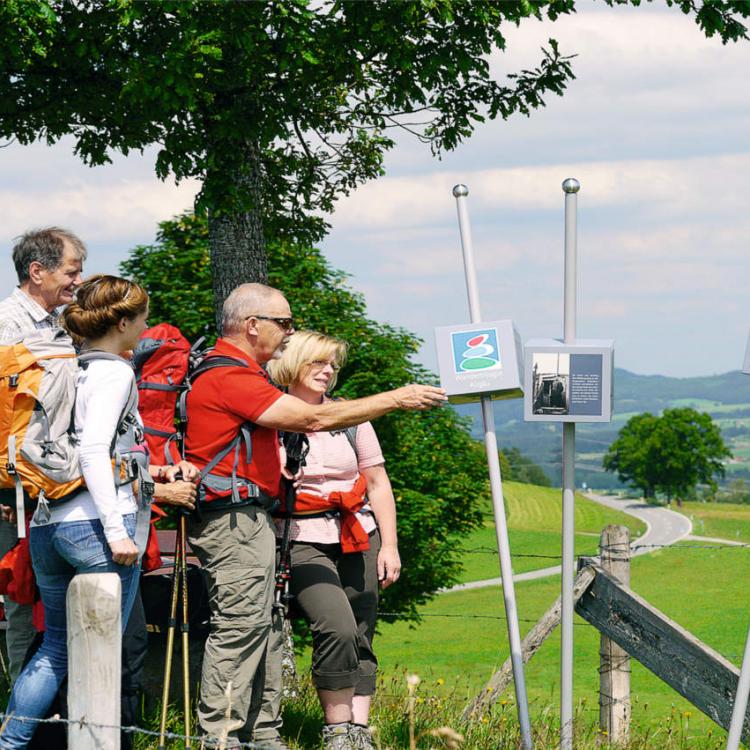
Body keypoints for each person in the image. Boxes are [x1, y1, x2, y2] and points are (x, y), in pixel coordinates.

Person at [184, 282, 446, 748]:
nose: (287, 332)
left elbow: (374, 477)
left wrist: (389, 543)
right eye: (283, 323)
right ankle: (221, 738)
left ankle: (265, 734)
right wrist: (398, 397)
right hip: (249, 523)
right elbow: (314, 421)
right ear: (251, 325)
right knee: (245, 628)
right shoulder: (233, 378)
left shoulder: (248, 377)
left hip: (282, 523)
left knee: (265, 629)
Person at [0, 275, 151, 750]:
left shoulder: (66, 366)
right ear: (123, 322)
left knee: (55, 649)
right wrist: (116, 531)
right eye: (142, 317)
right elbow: (92, 451)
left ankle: (12, 741)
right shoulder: (115, 372)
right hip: (96, 528)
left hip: (48, 523)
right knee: (101, 651)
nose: (146, 326)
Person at [267, 331, 400, 750]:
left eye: (332, 366)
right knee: (337, 627)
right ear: (294, 365)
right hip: (298, 535)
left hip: (357, 532)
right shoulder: (270, 415)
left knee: (362, 627)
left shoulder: (351, 417)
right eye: (318, 363)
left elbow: (378, 483)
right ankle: (337, 730)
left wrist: (391, 546)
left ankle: (359, 730)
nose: (327, 372)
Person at [0, 228, 86, 683]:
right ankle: (24, 718)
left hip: (56, 483)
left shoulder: (59, 324)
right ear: (38, 271)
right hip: (13, 493)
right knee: (21, 598)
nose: (78, 281)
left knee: (59, 602)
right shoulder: (6, 325)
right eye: (71, 271)